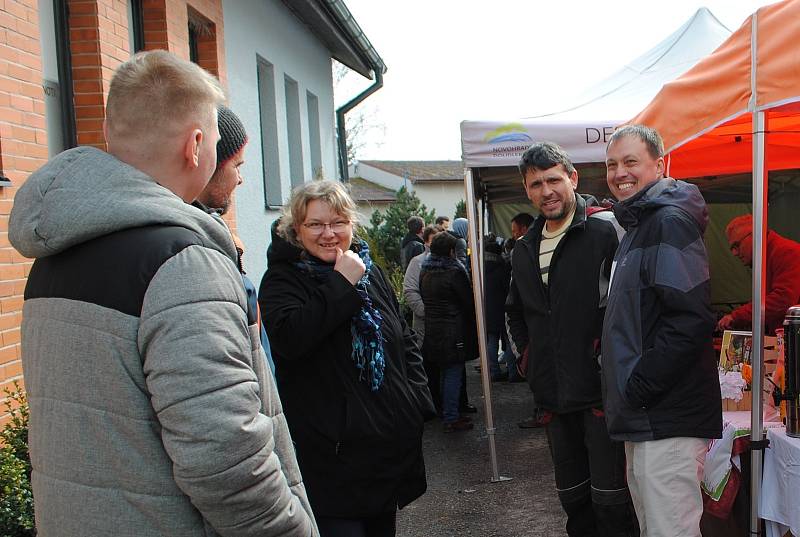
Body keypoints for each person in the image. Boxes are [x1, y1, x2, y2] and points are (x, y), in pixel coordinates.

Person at [8, 50, 315, 536]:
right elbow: (227, 462)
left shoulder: (56, 254)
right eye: (216, 140)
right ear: (196, 146)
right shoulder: (183, 264)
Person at [258, 180, 435, 537]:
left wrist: (416, 399)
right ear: (297, 229)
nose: (329, 233)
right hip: (332, 460)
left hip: (383, 454)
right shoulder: (282, 280)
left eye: (338, 222)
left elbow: (402, 337)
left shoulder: (369, 272)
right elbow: (291, 340)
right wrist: (341, 283)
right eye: (315, 224)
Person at [506, 142, 636, 537]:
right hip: (553, 398)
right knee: (573, 501)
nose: (546, 191)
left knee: (612, 502)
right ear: (526, 190)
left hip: (600, 397)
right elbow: (515, 312)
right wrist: (529, 361)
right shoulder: (524, 248)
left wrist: (610, 368)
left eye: (553, 180)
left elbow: (631, 306)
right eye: (535, 184)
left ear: (572, 178)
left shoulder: (606, 228)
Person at [602, 124, 722, 537]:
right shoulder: (639, 226)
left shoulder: (668, 221)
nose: (620, 173)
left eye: (631, 161)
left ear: (659, 164)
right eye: (612, 164)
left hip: (664, 415)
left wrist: (638, 385)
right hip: (646, 414)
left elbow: (689, 319)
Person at [194, 104, 275, 374]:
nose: (240, 179)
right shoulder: (196, 254)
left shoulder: (216, 237)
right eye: (236, 165)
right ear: (209, 164)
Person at [420, 232, 478, 432]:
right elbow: (467, 301)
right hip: (454, 331)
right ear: (451, 251)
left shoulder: (425, 271)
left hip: (433, 330)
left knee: (444, 372)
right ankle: (451, 417)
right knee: (453, 373)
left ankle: (449, 412)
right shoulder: (454, 272)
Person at [716, 214, 800, 335]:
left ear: (754, 235)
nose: (734, 253)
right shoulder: (768, 256)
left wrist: (737, 316)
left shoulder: (786, 252)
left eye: (736, 245)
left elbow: (783, 299)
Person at [404, 224, 441, 411]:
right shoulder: (417, 262)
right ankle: (431, 404)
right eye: (433, 240)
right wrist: (426, 311)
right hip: (425, 324)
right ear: (425, 241)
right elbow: (409, 290)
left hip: (445, 325)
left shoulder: (449, 259)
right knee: (429, 366)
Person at [483, 233, 513, 382]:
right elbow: (508, 289)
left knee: (491, 340)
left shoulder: (480, 270)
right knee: (508, 340)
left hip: (486, 310)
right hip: (503, 309)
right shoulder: (502, 268)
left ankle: (493, 371)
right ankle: (513, 371)